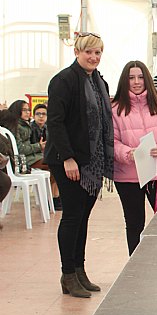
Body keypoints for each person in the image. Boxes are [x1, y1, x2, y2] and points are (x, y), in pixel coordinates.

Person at [46, 32, 114, 298]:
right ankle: (67, 274)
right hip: (69, 161)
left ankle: (79, 270)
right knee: (72, 216)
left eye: (98, 52)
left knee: (83, 218)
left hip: (92, 161)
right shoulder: (63, 80)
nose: (93, 57)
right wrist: (68, 158)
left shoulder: (99, 83)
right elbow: (55, 122)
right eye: (88, 52)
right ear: (77, 51)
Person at [112, 61, 157, 256]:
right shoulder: (114, 109)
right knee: (134, 225)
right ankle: (135, 268)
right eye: (131, 78)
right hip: (127, 177)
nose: (136, 82)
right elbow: (110, 142)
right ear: (124, 81)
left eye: (140, 77)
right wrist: (127, 153)